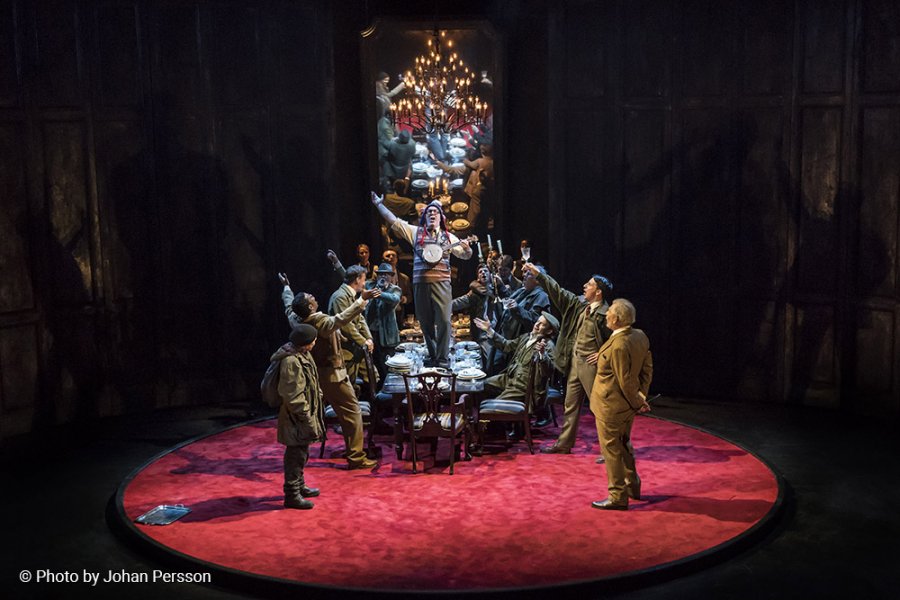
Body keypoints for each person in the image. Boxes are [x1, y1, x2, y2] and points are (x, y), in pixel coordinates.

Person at [279, 273, 380, 470]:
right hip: (332, 375)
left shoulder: (296, 320)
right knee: (353, 412)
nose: (313, 297)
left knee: (347, 413)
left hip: (317, 374)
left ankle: (354, 452)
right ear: (310, 307)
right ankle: (356, 457)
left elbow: (288, 306)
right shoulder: (320, 323)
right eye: (310, 298)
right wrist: (362, 300)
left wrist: (286, 288)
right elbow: (342, 318)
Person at [371, 192, 475, 369]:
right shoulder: (415, 233)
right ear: (424, 217)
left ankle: (443, 358)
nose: (432, 214)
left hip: (442, 284)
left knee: (444, 321)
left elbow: (465, 256)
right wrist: (379, 204)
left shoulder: (449, 237)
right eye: (429, 212)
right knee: (425, 322)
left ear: (441, 217)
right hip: (420, 284)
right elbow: (394, 221)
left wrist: (467, 249)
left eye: (435, 212)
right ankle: (433, 356)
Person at [521, 263, 613, 455]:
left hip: (590, 365)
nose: (584, 286)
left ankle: (610, 450)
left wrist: (603, 353)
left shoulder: (607, 314)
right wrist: (540, 276)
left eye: (589, 284)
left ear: (598, 292)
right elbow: (558, 291)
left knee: (600, 408)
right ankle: (564, 443)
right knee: (570, 405)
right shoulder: (579, 306)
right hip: (574, 363)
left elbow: (618, 339)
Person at [590, 299, 653, 510]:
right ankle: (633, 485)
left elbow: (624, 381)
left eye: (608, 312)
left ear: (616, 319)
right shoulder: (639, 336)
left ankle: (617, 496)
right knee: (624, 444)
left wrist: (639, 402)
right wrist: (641, 396)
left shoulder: (619, 345)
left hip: (611, 407)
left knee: (612, 451)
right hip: (625, 407)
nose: (606, 315)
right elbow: (647, 369)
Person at [475, 312, 558, 441]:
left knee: (495, 406)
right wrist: (490, 330)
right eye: (537, 321)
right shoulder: (526, 337)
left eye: (542, 324)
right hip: (509, 378)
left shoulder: (547, 346)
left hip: (523, 387)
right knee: (481, 386)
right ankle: (499, 428)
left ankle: (492, 432)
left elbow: (548, 371)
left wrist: (542, 355)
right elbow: (507, 345)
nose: (537, 324)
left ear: (549, 331)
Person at [272, 324, 324, 510]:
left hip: (305, 413)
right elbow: (293, 396)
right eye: (313, 340)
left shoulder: (303, 354)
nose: (315, 342)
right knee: (295, 454)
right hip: (296, 416)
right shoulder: (291, 362)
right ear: (305, 342)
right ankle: (292, 494)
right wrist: (306, 417)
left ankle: (300, 486)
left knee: (302, 451)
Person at [488, 265, 550, 375]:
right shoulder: (523, 290)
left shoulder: (542, 296)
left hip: (514, 343)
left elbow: (534, 321)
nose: (524, 275)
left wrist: (517, 309)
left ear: (538, 280)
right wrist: (501, 287)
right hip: (503, 337)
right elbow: (509, 299)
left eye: (529, 274)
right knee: (493, 368)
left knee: (500, 372)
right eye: (525, 273)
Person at [328, 265, 376, 391]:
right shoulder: (340, 297)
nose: (364, 283)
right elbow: (346, 326)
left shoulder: (351, 295)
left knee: (373, 377)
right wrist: (363, 341)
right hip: (346, 350)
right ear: (357, 279)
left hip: (356, 347)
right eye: (363, 279)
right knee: (348, 385)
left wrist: (369, 338)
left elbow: (360, 319)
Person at [451, 263, 497, 359]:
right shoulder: (475, 294)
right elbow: (459, 302)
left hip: (498, 332)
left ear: (490, 275)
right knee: (487, 359)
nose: (483, 273)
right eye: (480, 272)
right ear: (478, 278)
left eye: (485, 271)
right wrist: (443, 305)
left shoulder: (497, 290)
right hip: (483, 335)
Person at [365, 262, 402, 381]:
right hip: (371, 333)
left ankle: (389, 388)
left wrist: (379, 294)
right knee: (374, 365)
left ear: (391, 277)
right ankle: (377, 388)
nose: (383, 277)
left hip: (387, 336)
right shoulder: (369, 286)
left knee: (388, 366)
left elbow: (394, 299)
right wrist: (337, 264)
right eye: (381, 274)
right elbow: (352, 281)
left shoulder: (394, 289)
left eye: (386, 275)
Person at [382, 248, 412, 321]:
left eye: (393, 255)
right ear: (383, 260)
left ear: (397, 259)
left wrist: (403, 299)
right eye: (388, 256)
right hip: (382, 313)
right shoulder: (377, 276)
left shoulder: (404, 278)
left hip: (398, 313)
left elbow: (409, 297)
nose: (391, 257)